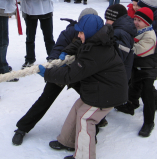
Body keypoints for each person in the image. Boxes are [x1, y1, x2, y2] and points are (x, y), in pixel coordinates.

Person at [41, 14, 128, 159]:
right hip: (99, 87)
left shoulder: (95, 52)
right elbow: (79, 44)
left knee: (85, 118)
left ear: (89, 33)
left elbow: (71, 75)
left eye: (81, 32)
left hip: (109, 92)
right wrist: (66, 51)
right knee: (78, 107)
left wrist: (48, 74)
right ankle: (67, 141)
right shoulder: (97, 40)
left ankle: (84, 156)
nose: (79, 35)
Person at [11, 8, 98, 146]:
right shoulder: (70, 32)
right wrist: (53, 64)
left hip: (80, 73)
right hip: (63, 72)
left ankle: (94, 127)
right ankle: (22, 128)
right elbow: (57, 49)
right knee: (46, 98)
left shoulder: (97, 36)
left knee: (91, 98)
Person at [130, 7, 157, 137]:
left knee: (147, 92)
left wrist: (125, 44)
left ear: (147, 23)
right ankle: (131, 103)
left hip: (148, 69)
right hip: (138, 66)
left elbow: (139, 50)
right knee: (134, 87)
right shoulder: (138, 31)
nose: (135, 22)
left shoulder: (150, 35)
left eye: (139, 20)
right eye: (135, 19)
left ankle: (149, 122)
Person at [104, 4, 137, 81]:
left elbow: (118, 56)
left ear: (115, 19)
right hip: (118, 75)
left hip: (119, 77)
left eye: (108, 20)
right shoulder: (119, 29)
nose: (106, 23)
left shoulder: (121, 33)